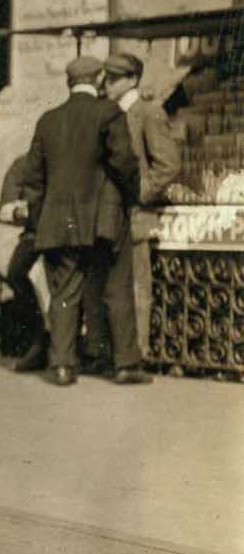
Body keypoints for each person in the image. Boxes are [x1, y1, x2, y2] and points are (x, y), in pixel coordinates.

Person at [16, 54, 142, 386]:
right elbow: (124, 162)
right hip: (102, 218)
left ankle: (62, 366)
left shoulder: (47, 120)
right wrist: (132, 197)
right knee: (116, 287)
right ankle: (126, 364)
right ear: (100, 78)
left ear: (69, 83)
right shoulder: (108, 112)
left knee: (65, 293)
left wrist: (37, 220)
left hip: (58, 221)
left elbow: (32, 178)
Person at [100, 50, 182, 364]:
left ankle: (138, 353)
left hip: (134, 215)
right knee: (110, 287)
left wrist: (138, 193)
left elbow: (168, 164)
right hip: (108, 214)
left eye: (115, 77)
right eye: (106, 77)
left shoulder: (147, 113)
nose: (108, 83)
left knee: (136, 287)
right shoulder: (107, 113)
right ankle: (114, 353)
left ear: (132, 79)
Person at [0, 152, 47, 372]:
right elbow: (5, 209)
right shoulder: (25, 164)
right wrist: (24, 212)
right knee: (17, 273)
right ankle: (39, 339)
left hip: (68, 234)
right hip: (36, 234)